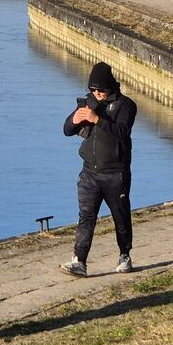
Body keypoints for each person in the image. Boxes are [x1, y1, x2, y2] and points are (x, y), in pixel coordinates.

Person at [60, 62, 138, 278]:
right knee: (86, 216)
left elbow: (122, 132)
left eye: (101, 90)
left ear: (110, 87)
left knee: (120, 216)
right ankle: (79, 261)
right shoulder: (87, 103)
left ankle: (124, 255)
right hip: (89, 174)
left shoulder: (126, 105)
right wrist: (73, 120)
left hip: (115, 173)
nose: (97, 94)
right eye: (93, 90)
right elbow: (67, 130)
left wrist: (98, 120)